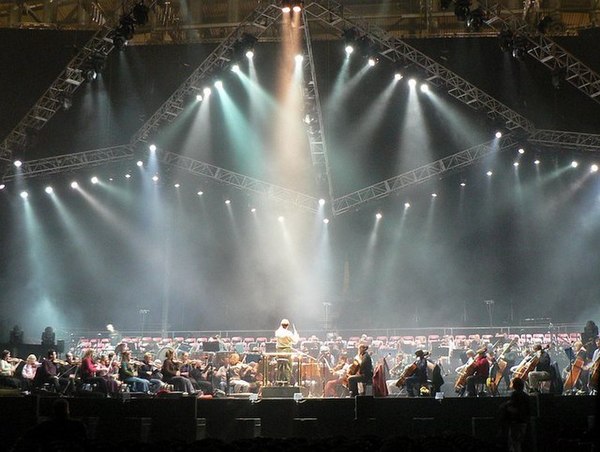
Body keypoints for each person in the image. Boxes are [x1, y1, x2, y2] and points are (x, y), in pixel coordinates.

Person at [499, 377, 530, 452]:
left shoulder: (515, 394)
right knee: (518, 442)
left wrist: (504, 408)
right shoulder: (526, 396)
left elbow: (513, 407)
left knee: (514, 443)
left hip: (516, 422)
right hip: (524, 422)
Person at [275, 318, 299, 384]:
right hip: (287, 351)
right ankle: (287, 381)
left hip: (279, 352)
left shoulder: (277, 332)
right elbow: (295, 341)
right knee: (288, 366)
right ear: (287, 326)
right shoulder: (289, 333)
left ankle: (279, 380)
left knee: (279, 366)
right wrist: (296, 334)